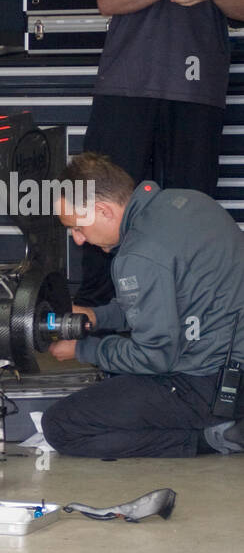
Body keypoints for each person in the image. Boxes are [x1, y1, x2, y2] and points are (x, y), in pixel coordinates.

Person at [78, 0, 244, 305]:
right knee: (103, 200)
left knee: (190, 211)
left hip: (197, 90)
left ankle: (188, 319)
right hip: (127, 86)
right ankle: (99, 317)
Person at [41, 152, 244, 458]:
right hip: (231, 363)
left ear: (104, 211)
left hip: (211, 386)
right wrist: (95, 316)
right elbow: (164, 299)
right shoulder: (189, 202)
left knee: (60, 425)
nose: (78, 240)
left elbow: (154, 358)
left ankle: (210, 438)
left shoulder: (138, 255)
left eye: (77, 227)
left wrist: (82, 350)